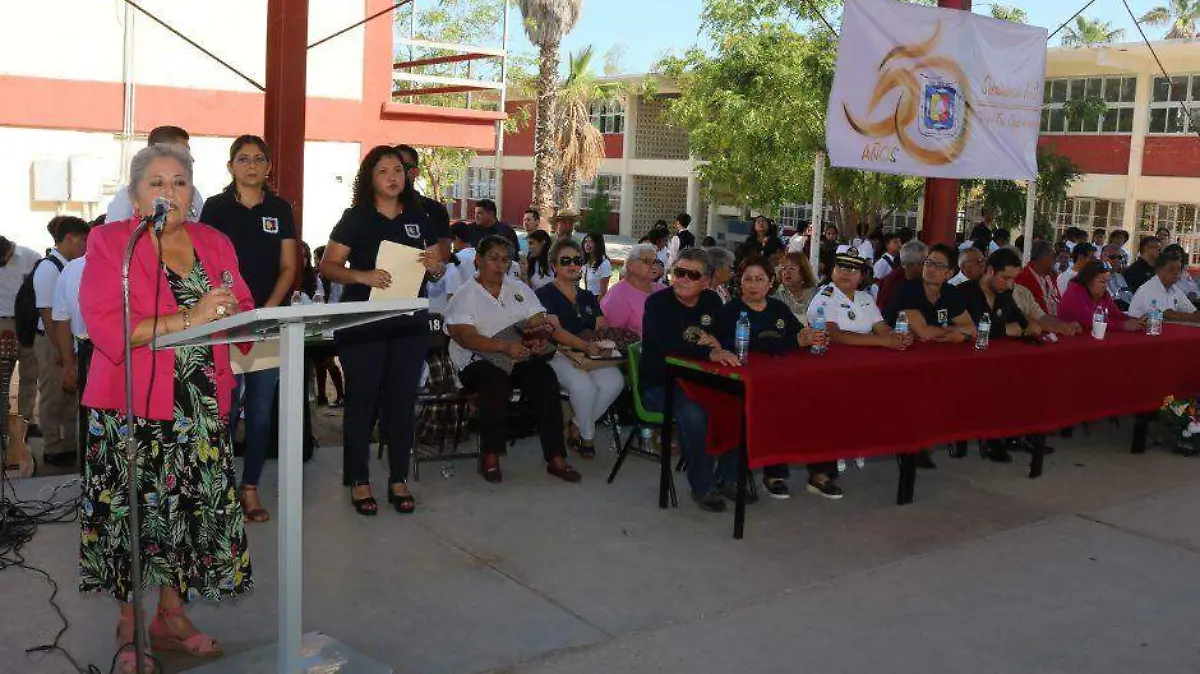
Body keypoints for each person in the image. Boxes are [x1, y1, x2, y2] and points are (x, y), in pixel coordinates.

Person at [80, 143, 255, 672]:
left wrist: (249, 318)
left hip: (199, 410)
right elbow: (109, 327)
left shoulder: (215, 241)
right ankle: (130, 625)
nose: (169, 192)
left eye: (179, 182)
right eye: (156, 183)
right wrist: (192, 315)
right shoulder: (112, 242)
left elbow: (243, 305)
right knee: (131, 521)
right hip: (130, 411)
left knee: (187, 519)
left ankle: (171, 616)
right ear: (135, 195)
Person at [319, 145, 446, 516]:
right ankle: (359, 479)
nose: (393, 177)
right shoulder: (355, 217)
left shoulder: (420, 218)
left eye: (398, 170)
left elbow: (436, 267)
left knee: (402, 401)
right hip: (365, 324)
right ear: (369, 178)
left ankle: (398, 478)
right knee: (362, 400)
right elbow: (328, 266)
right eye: (383, 171)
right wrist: (361, 274)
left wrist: (435, 266)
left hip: (409, 323)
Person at [199, 135, 299, 523]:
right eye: (243, 159)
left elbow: (289, 267)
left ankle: (250, 489)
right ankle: (218, 491)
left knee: (260, 413)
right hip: (224, 324)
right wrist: (235, 313)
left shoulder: (279, 209)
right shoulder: (216, 207)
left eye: (259, 159)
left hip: (268, 324)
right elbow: (203, 264)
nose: (251, 165)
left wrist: (265, 313)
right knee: (224, 411)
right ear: (231, 167)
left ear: (268, 167)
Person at [445, 235, 584, 484]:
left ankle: (555, 457)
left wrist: (541, 335)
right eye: (493, 259)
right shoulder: (465, 294)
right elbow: (465, 337)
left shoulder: (518, 288)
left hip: (517, 354)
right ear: (478, 260)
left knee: (545, 378)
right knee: (495, 383)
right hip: (476, 359)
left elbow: (536, 318)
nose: (500, 265)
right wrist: (503, 346)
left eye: (505, 260)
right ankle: (490, 454)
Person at [640, 248, 741, 512]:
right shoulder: (658, 303)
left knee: (742, 402)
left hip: (702, 380)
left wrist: (719, 343)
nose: (682, 278)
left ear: (707, 280)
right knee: (694, 412)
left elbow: (727, 336)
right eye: (678, 272)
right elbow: (669, 344)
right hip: (661, 384)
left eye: (691, 274)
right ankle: (703, 486)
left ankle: (728, 477)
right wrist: (709, 351)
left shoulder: (711, 302)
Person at [724, 255, 825, 499]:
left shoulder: (779, 308)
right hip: (746, 385)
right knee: (774, 408)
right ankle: (774, 474)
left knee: (821, 401)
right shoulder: (730, 311)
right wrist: (792, 342)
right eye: (748, 279)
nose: (753, 284)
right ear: (740, 283)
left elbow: (798, 335)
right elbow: (746, 345)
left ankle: (821, 473)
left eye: (759, 279)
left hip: (782, 380)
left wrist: (812, 337)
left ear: (771, 282)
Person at [537, 239, 625, 458]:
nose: (573, 265)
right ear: (554, 266)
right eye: (565, 260)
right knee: (584, 388)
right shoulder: (545, 294)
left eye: (577, 260)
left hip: (589, 354)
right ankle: (587, 437)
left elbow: (600, 325)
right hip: (558, 353)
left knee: (615, 382)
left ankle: (575, 425)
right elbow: (554, 331)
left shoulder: (587, 296)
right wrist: (584, 343)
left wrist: (593, 344)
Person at [34, 215, 90, 465]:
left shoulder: (69, 265)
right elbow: (48, 315)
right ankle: (52, 446)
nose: (85, 246)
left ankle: (67, 443)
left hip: (65, 339)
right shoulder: (48, 268)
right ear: (69, 238)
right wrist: (61, 351)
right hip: (51, 340)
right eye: (83, 241)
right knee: (52, 396)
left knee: (69, 397)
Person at [106, 126, 205, 223]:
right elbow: (112, 235)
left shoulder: (193, 194)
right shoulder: (129, 196)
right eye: (184, 153)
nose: (191, 159)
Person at [887, 244, 976, 344]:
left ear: (949, 273)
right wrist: (955, 332)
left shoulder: (951, 293)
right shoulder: (906, 291)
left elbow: (972, 329)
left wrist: (962, 337)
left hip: (938, 352)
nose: (931, 269)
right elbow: (923, 333)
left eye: (939, 266)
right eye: (929, 263)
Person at [0, 235, 40, 430]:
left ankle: (25, 421)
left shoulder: (31, 257)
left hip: (26, 323)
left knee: (29, 373)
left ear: (10, 250)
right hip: (2, 323)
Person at [960, 248, 1035, 343]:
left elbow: (1020, 321)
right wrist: (1003, 330)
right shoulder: (963, 293)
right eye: (1006, 278)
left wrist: (1031, 326)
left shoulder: (1004, 294)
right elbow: (966, 330)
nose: (1010, 285)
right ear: (991, 270)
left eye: (1013, 279)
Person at [1059, 259, 1145, 334]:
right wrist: (1123, 325)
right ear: (1088, 280)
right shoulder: (1074, 294)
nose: (1106, 286)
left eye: (1107, 281)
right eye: (1102, 282)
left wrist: (1137, 321)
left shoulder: (1104, 294)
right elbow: (1091, 321)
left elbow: (1117, 315)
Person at [396, 144, 452, 259]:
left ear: (415, 172)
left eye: (402, 167)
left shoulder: (434, 209)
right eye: (386, 169)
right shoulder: (370, 208)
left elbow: (443, 255)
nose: (395, 174)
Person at [599, 243, 665, 337]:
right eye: (647, 261)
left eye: (655, 261)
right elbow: (610, 336)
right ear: (630, 264)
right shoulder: (618, 295)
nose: (653, 266)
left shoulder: (661, 289)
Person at [309, 246, 344, 407]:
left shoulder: (340, 277)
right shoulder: (316, 277)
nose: (315, 263)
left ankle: (341, 395)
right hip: (322, 324)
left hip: (338, 323)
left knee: (329, 362)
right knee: (320, 361)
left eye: (317, 259)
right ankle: (322, 396)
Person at [1128, 252, 1200, 323]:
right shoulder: (1150, 288)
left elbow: (1194, 311)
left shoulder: (1175, 290)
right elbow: (1169, 315)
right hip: (1142, 331)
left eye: (1179, 269)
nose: (1176, 272)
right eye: (1172, 269)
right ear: (1158, 270)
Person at [1014, 240, 1063, 317]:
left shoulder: (1051, 276)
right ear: (1043, 258)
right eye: (1053, 256)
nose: (1056, 260)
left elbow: (1059, 300)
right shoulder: (1023, 279)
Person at [876, 240, 927, 313]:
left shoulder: (923, 279)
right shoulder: (892, 282)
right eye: (923, 263)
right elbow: (883, 313)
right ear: (910, 264)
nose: (927, 267)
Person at [772, 251, 819, 325]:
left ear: (803, 272)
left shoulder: (815, 293)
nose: (786, 272)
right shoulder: (776, 297)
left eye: (791, 268)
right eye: (783, 268)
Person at [1100, 244, 1133, 309]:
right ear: (1101, 258)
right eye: (1112, 257)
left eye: (1120, 257)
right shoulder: (1096, 278)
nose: (1117, 260)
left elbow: (1130, 298)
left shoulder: (1120, 277)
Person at [581, 232, 613, 299]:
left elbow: (603, 293)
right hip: (587, 298)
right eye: (586, 241)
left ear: (598, 244)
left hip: (598, 299)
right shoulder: (586, 262)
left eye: (591, 242)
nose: (587, 244)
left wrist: (595, 307)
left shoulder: (604, 263)